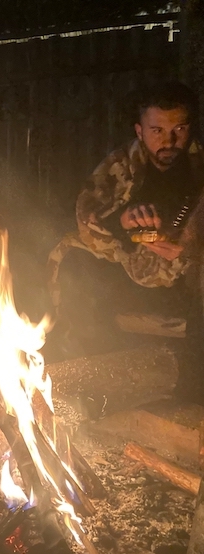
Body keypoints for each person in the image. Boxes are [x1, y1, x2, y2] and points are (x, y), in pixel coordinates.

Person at [46, 82, 204, 374]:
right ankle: (92, 377)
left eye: (179, 130)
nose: (169, 141)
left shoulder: (198, 167)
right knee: (76, 267)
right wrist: (122, 221)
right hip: (127, 273)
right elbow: (88, 216)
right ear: (139, 131)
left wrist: (190, 248)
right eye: (157, 131)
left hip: (186, 282)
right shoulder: (122, 165)